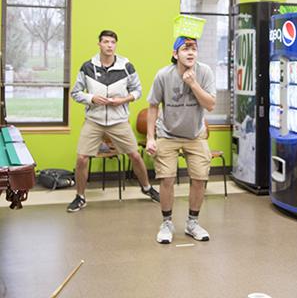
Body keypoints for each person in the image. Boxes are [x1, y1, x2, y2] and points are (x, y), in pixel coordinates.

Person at [69, 30, 160, 212]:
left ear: (115, 45)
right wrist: (91, 98)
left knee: (134, 155)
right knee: (81, 158)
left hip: (118, 120)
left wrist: (123, 100)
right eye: (105, 42)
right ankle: (80, 196)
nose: (109, 45)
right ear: (99, 44)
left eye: (112, 42)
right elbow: (75, 93)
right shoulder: (87, 67)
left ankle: (147, 188)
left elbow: (137, 91)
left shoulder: (127, 66)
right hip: (94, 121)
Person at [146, 36, 216, 244]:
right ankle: (167, 222)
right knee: (166, 178)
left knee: (200, 178)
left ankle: (192, 222)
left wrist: (193, 84)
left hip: (195, 134)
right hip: (167, 133)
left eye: (194, 48)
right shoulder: (163, 75)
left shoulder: (204, 72)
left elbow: (210, 105)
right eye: (185, 49)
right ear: (175, 54)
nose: (191, 52)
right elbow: (152, 106)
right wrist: (151, 138)